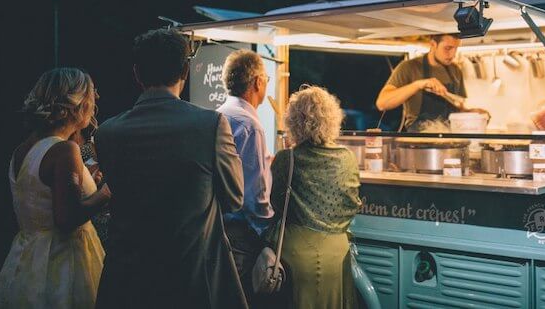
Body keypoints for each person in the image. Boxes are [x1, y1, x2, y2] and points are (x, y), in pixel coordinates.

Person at [94, 29, 248, 309]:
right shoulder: (210, 125)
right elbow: (235, 198)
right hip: (191, 280)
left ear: (137, 74)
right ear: (185, 71)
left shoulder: (107, 132)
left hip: (126, 281)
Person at [0, 68, 111, 309]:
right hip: (64, 264)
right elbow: (67, 218)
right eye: (90, 94)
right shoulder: (64, 150)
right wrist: (106, 192)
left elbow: (45, 196)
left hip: (28, 259)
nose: (94, 100)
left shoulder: (23, 150)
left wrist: (91, 185)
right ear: (76, 104)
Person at [270, 86, 362, 309]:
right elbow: (352, 206)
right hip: (337, 257)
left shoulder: (286, 158)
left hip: (293, 256)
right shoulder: (348, 158)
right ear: (333, 119)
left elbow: (276, 204)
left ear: (293, 121)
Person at [216, 49, 274, 299]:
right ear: (258, 82)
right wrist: (268, 232)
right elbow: (254, 194)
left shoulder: (216, 114)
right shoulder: (250, 125)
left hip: (217, 229)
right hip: (242, 236)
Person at [376, 33, 484, 131]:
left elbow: (457, 107)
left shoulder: (455, 70)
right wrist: (418, 85)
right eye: (448, 48)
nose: (452, 55)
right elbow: (382, 103)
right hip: (420, 139)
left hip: (449, 138)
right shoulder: (409, 67)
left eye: (455, 49)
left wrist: (471, 114)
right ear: (433, 44)